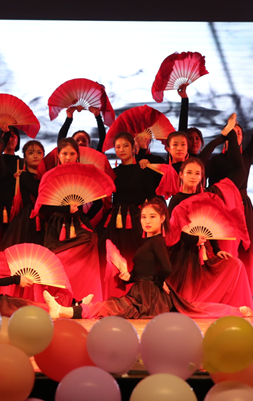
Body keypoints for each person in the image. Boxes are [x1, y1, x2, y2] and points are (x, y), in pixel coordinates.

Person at [44, 198, 242, 319]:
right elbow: (141, 273)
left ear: (162, 219)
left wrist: (158, 283)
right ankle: (71, 309)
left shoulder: (157, 241)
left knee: (112, 307)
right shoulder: (148, 243)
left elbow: (166, 268)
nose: (147, 221)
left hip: (149, 296)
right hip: (142, 291)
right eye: (144, 217)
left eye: (152, 217)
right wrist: (127, 277)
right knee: (111, 307)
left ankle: (64, 311)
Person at [207, 96, 253, 296]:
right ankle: (218, 288)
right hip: (220, 207)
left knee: (242, 249)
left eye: (239, 132)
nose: (236, 134)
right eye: (233, 131)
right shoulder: (215, 160)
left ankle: (241, 290)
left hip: (241, 205)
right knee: (222, 247)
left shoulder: (246, 156)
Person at [166, 158, 253, 315]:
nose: (193, 176)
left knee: (235, 264)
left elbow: (210, 222)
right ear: (181, 175)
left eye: (197, 173)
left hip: (201, 251)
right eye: (189, 172)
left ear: (202, 176)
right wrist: (193, 239)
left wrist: (217, 249)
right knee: (186, 299)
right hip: (182, 253)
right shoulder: (176, 199)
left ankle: (232, 306)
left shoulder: (206, 196)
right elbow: (173, 229)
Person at [97, 132, 170, 298]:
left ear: (133, 148)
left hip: (137, 218)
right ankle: (112, 294)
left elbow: (152, 195)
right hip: (114, 220)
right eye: (118, 147)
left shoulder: (144, 170)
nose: (121, 149)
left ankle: (142, 293)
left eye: (125, 146)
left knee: (141, 256)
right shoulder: (113, 173)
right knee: (107, 255)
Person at [37, 138, 104, 303]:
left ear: (77, 155)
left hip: (79, 225)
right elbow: (41, 206)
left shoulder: (84, 176)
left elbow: (99, 203)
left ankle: (82, 298)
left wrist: (83, 217)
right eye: (64, 153)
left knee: (88, 246)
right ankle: (59, 300)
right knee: (56, 260)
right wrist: (64, 210)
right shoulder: (50, 177)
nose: (68, 157)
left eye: (72, 154)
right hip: (57, 227)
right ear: (58, 155)